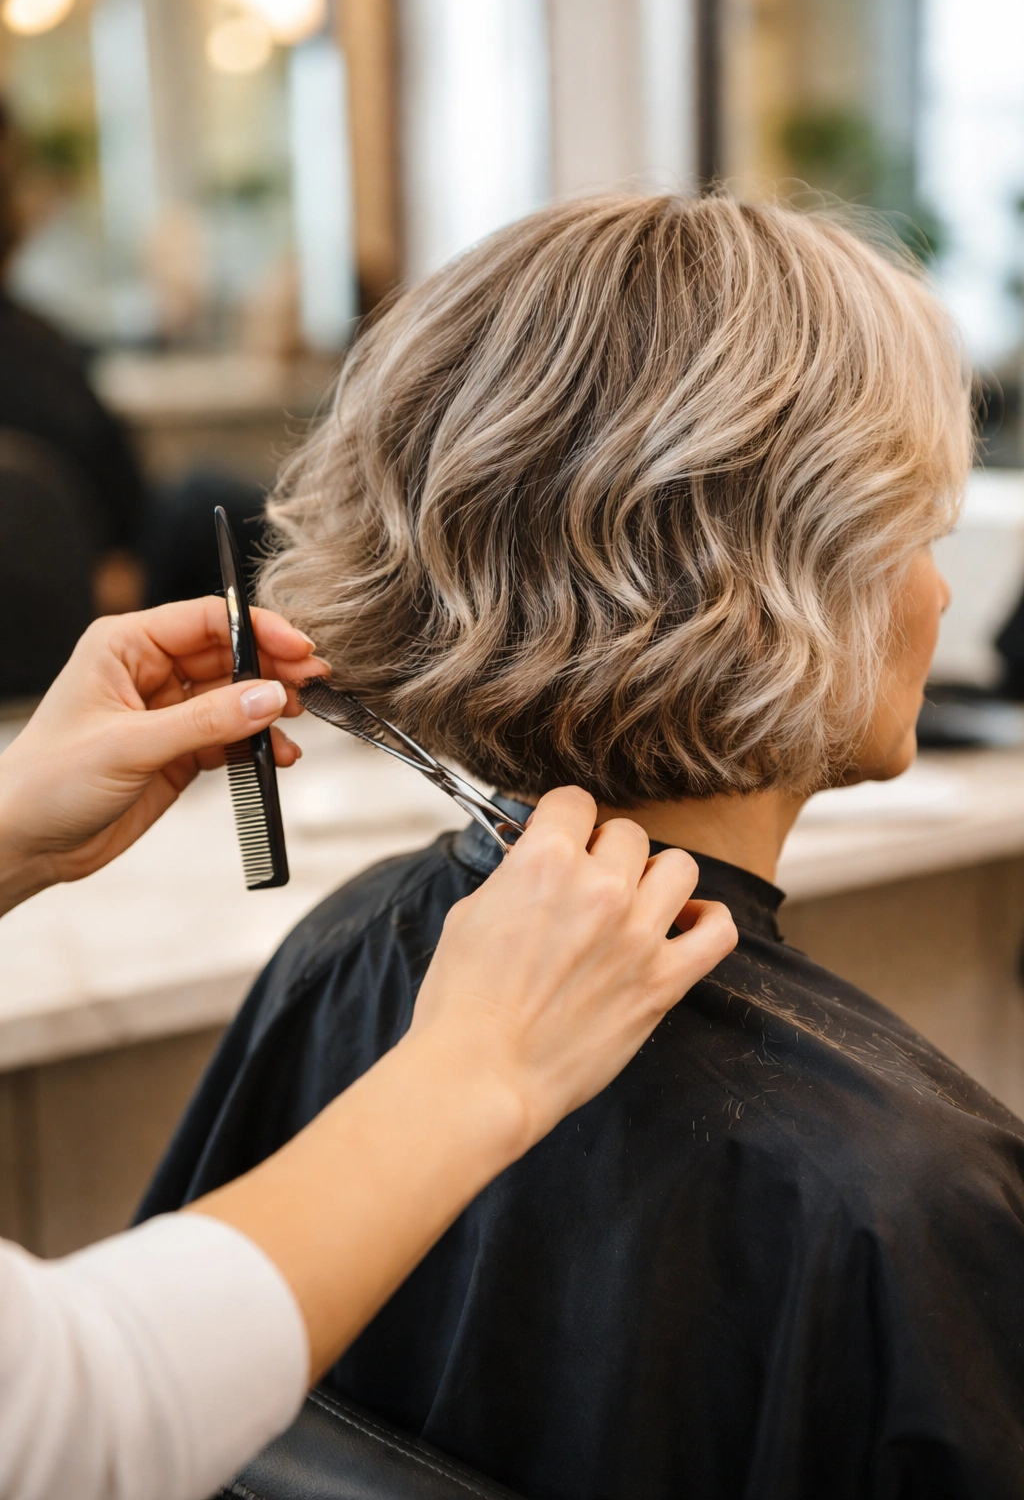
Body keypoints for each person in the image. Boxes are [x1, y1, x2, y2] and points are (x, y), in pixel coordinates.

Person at [139, 194, 1024, 1500]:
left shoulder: (342, 951)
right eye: (918, 538)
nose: (941, 594)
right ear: (787, 583)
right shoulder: (915, 1198)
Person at [0, 597, 736, 1500]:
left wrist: (12, 824)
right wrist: (483, 1060)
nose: (939, 595)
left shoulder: (339, 940)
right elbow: (80, 1421)